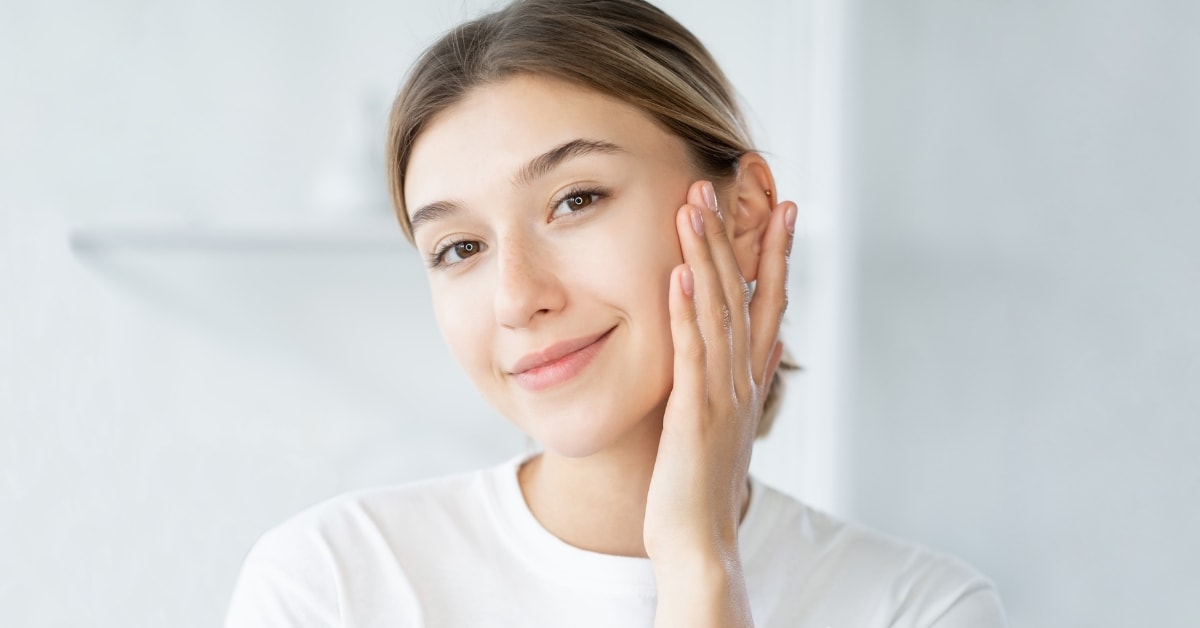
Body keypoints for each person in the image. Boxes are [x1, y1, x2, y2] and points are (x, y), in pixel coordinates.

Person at [225, 1, 1007, 626]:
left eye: (575, 200)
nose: (516, 297)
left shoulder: (917, 608)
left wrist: (700, 564)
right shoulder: (333, 585)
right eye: (460, 248)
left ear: (742, 214)